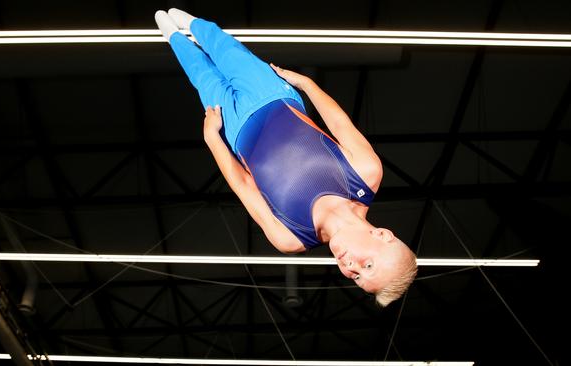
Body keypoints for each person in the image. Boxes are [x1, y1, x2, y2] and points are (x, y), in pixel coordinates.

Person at [154, 8, 417, 306]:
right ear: (383, 235)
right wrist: (306, 84)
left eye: (356, 278)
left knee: (200, 74)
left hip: (233, 128)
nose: (350, 267)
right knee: (226, 50)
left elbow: (243, 185)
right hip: (273, 94)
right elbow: (339, 122)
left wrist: (212, 138)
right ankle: (193, 23)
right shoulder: (366, 174)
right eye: (367, 265)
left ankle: (173, 35)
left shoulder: (290, 238)